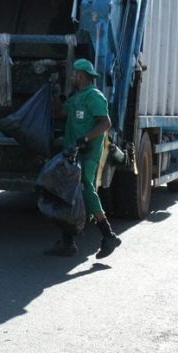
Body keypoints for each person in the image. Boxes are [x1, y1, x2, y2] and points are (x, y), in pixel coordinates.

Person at [46, 58, 121, 258]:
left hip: (88, 153)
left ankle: (108, 235)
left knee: (87, 189)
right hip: (72, 153)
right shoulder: (76, 97)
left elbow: (105, 123)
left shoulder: (94, 96)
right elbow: (59, 112)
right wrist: (54, 93)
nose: (71, 77)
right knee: (67, 192)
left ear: (81, 75)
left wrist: (86, 138)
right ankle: (67, 242)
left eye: (73, 74)